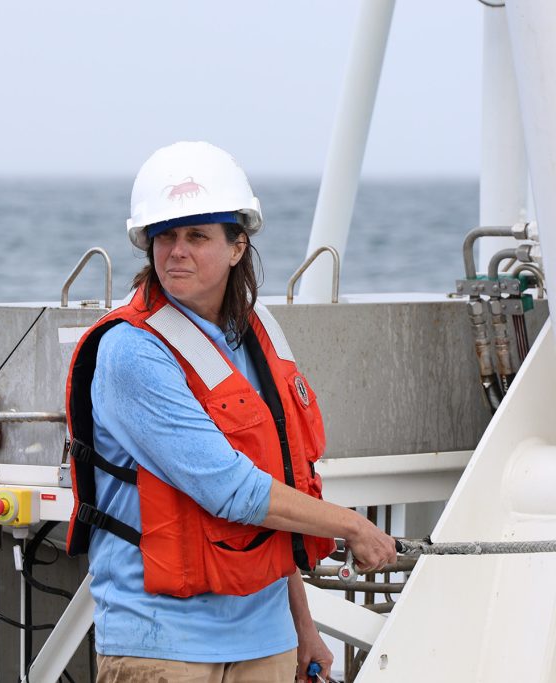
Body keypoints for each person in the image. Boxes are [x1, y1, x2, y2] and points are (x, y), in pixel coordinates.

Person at [65, 141, 397, 682]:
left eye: (197, 235)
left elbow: (276, 486)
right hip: (161, 645)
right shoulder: (132, 351)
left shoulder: (257, 335)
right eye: (164, 236)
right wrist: (351, 526)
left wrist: (302, 628)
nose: (176, 251)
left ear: (238, 245)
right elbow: (232, 489)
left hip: (265, 639)